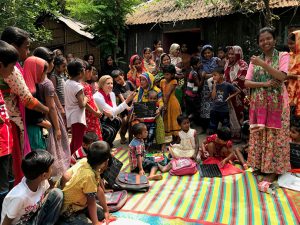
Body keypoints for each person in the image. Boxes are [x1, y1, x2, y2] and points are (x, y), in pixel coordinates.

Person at [0, 27, 49, 184]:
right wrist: (47, 110)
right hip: (10, 122)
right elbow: (27, 99)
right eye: (26, 47)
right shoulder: (12, 70)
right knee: (10, 170)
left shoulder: (14, 67)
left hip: (10, 122)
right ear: (13, 46)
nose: (28, 52)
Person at [245, 27, 290, 182]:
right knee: (260, 135)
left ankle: (274, 170)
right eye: (262, 40)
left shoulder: (283, 56)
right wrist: (264, 84)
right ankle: (259, 166)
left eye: (268, 38)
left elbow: (281, 76)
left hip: (278, 105)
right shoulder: (254, 60)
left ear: (275, 39)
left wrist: (262, 64)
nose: (265, 42)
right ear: (259, 43)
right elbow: (247, 83)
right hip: (259, 105)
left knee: (275, 137)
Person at [33, 47, 71, 177]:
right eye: (52, 62)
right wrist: (57, 128)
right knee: (56, 147)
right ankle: (56, 173)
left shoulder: (35, 79)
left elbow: (54, 98)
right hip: (51, 118)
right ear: (46, 63)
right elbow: (52, 106)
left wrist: (60, 107)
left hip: (41, 118)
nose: (53, 64)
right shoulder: (47, 82)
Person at [1, 150, 63, 225]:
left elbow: (47, 196)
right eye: (51, 168)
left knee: (57, 193)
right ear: (43, 175)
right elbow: (5, 223)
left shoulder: (42, 182)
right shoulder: (19, 197)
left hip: (32, 218)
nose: (52, 170)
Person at [59, 141, 114, 225]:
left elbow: (99, 190)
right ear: (106, 161)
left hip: (81, 204)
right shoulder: (89, 176)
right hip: (69, 211)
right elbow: (91, 202)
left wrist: (106, 211)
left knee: (101, 215)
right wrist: (95, 223)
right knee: (86, 222)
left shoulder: (85, 161)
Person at [0, 40, 19, 213]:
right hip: (1, 148)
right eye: (12, 66)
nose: (13, 71)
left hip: (6, 144)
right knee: (3, 187)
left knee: (9, 180)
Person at [93, 75, 136, 147]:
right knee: (110, 131)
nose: (111, 85)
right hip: (98, 120)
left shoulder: (111, 94)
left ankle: (109, 143)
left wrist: (112, 114)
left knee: (118, 120)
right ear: (102, 85)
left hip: (108, 118)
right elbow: (114, 111)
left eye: (111, 83)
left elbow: (114, 111)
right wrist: (127, 101)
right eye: (108, 83)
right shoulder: (97, 97)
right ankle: (103, 146)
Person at [23, 56, 51, 150]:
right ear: (36, 71)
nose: (45, 76)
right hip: (33, 129)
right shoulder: (29, 91)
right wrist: (42, 122)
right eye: (44, 72)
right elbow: (29, 115)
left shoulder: (35, 85)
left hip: (38, 127)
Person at [134, 72, 165, 149]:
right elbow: (135, 101)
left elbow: (161, 103)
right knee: (136, 123)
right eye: (141, 80)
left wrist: (159, 110)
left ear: (149, 80)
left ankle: (162, 143)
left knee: (159, 120)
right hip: (141, 113)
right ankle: (139, 144)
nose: (141, 82)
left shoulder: (157, 90)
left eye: (144, 80)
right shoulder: (139, 90)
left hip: (153, 113)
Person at [224, 46, 249, 140]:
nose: (230, 56)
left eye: (233, 54)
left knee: (240, 112)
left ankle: (241, 135)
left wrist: (230, 86)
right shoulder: (227, 63)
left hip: (239, 94)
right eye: (229, 54)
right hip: (228, 92)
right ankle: (233, 134)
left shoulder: (243, 64)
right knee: (230, 114)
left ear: (238, 54)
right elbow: (224, 76)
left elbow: (241, 80)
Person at [64, 60, 88, 154]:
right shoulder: (78, 86)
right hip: (78, 117)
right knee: (78, 142)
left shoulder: (67, 82)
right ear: (80, 72)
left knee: (74, 140)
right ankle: (76, 161)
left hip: (71, 115)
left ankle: (69, 158)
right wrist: (86, 98)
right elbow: (82, 104)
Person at [210, 66, 240, 134]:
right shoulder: (214, 85)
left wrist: (230, 97)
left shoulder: (227, 85)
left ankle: (225, 141)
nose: (213, 77)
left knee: (225, 127)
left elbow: (238, 91)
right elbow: (213, 97)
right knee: (213, 127)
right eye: (212, 75)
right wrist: (214, 85)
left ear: (221, 75)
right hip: (214, 109)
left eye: (215, 75)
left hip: (224, 110)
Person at [199, 44, 220, 133]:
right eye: (205, 53)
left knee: (215, 105)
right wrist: (213, 74)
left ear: (212, 52)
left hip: (216, 86)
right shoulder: (201, 63)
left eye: (209, 52)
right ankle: (206, 127)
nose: (207, 54)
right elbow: (202, 75)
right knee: (206, 107)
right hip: (205, 88)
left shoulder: (216, 60)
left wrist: (208, 75)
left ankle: (214, 127)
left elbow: (220, 71)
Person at [112, 69, 135, 144]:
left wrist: (133, 103)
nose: (119, 81)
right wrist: (127, 107)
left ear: (123, 75)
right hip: (124, 109)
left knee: (131, 122)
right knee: (124, 121)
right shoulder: (117, 87)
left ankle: (131, 138)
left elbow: (136, 91)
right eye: (117, 80)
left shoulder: (129, 83)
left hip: (132, 106)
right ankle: (122, 135)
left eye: (120, 79)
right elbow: (122, 99)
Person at [81, 61, 103, 141]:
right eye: (91, 73)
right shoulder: (80, 85)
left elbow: (92, 99)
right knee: (90, 136)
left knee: (96, 133)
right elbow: (85, 103)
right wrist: (94, 112)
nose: (92, 75)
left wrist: (97, 110)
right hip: (88, 115)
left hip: (94, 114)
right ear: (87, 72)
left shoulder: (88, 85)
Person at [160, 65, 181, 140]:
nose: (165, 76)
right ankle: (173, 138)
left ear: (172, 75)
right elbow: (161, 93)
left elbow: (168, 94)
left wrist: (165, 105)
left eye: (167, 74)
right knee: (168, 119)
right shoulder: (162, 81)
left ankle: (178, 138)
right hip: (165, 102)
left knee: (174, 119)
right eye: (164, 74)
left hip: (172, 103)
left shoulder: (174, 81)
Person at [286, 30, 300, 120]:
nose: (290, 46)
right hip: (288, 92)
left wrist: (290, 76)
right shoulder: (288, 56)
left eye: (292, 43)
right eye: (289, 44)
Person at [185, 56, 202, 120]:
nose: (201, 64)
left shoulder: (191, 71)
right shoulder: (194, 73)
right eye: (199, 63)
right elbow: (199, 85)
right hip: (192, 96)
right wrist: (203, 77)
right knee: (195, 111)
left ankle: (189, 121)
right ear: (195, 65)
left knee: (191, 110)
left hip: (189, 94)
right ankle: (191, 121)